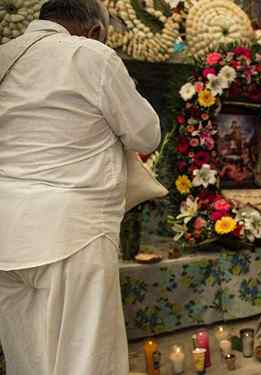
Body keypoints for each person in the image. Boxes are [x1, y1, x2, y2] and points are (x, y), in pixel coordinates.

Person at [0, 1, 161, 374]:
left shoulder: (5, 56)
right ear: (96, 31)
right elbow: (146, 133)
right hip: (73, 234)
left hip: (6, 238)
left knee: (27, 361)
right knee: (85, 361)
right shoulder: (92, 55)